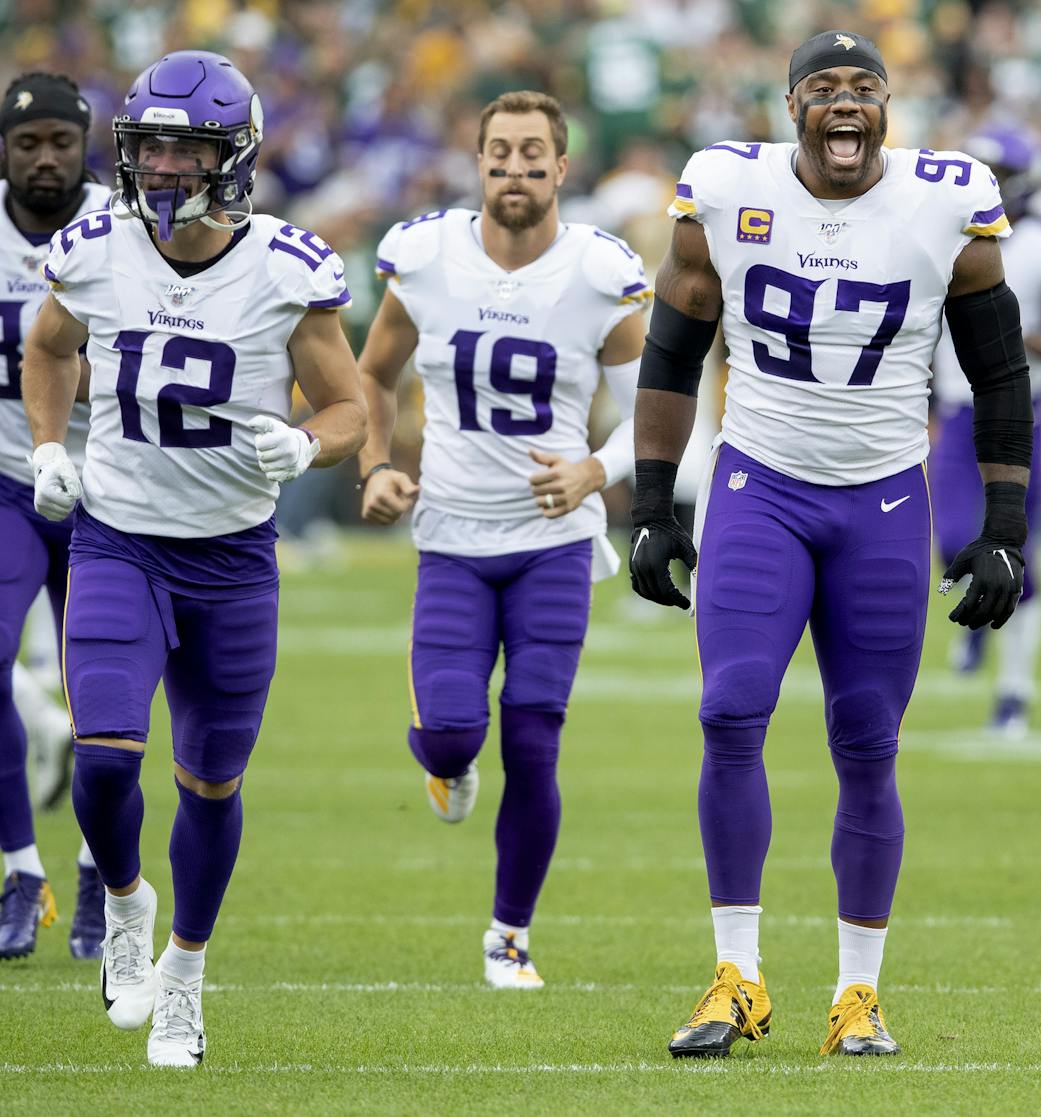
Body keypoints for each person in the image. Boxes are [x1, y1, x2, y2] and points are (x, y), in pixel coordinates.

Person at [628, 31, 1032, 1058]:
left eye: (863, 89)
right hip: (758, 486)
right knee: (729, 711)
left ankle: (857, 993)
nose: (844, 105)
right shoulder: (725, 186)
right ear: (790, 104)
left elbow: (998, 371)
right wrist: (649, 502)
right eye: (824, 89)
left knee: (865, 742)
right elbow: (672, 349)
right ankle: (736, 976)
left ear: (887, 106)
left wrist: (1005, 529)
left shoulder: (946, 198)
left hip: (883, 505)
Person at [22, 51, 365, 1065]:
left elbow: (348, 405)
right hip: (119, 536)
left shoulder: (284, 268)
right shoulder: (94, 250)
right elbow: (49, 346)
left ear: (235, 156)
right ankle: (124, 902)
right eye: (149, 146)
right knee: (101, 764)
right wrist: (49, 444)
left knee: (211, 782)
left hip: (230, 560)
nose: (164, 167)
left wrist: (307, 444)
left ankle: (184, 974)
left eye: (187, 147)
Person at [356, 90, 647, 989]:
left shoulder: (601, 272)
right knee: (449, 734)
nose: (514, 169)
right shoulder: (427, 257)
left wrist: (597, 470)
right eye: (499, 153)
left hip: (553, 541)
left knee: (534, 736)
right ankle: (450, 766)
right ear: (476, 161)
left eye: (533, 155)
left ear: (563, 168)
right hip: (450, 531)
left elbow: (661, 412)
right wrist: (375, 462)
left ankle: (509, 932)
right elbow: (370, 373)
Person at [0, 72, 110, 961]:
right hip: (4, 478)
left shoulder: (124, 229)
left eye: (60, 143)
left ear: (86, 148)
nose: (44, 158)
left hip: (111, 489)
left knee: (110, 694)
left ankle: (93, 870)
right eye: (27, 142)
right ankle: (22, 867)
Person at [929, 124, 1041, 737]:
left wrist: (1017, 344)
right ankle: (977, 634)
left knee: (1013, 552)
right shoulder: (935, 233)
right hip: (958, 410)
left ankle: (1014, 691)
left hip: (1021, 410)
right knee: (954, 541)